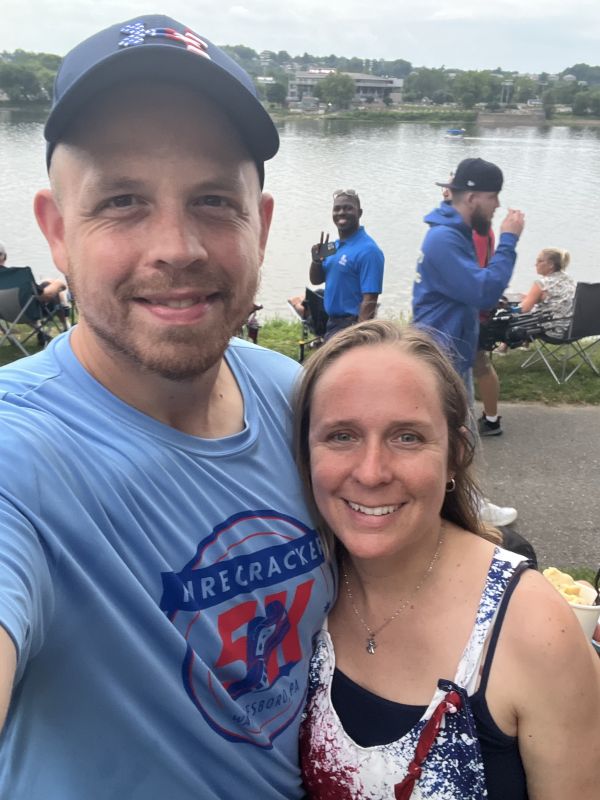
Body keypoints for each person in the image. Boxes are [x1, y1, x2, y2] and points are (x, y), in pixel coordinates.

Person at [0, 15, 334, 799]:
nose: (177, 247)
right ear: (56, 231)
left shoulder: (292, 396)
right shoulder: (20, 452)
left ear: (262, 225)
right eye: (122, 201)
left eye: (214, 199)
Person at [294, 320, 600, 800]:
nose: (371, 473)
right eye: (342, 436)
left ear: (455, 453)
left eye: (407, 437)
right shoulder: (298, 587)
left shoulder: (532, 628)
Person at [414, 158, 525, 527]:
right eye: (494, 197)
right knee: (459, 436)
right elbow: (483, 291)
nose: (497, 206)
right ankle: (467, 508)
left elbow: (473, 290)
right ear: (474, 197)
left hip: (451, 349)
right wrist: (509, 239)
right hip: (440, 353)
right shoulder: (445, 238)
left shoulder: (453, 232)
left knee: (455, 436)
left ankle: (456, 505)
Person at [439, 180, 503, 437]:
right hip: (474, 310)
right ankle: (488, 419)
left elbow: (468, 275)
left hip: (468, 313)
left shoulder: (473, 232)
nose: (446, 193)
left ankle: (468, 428)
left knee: (469, 367)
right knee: (476, 364)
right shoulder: (476, 227)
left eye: (451, 190)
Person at [309, 190, 384, 340]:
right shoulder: (332, 247)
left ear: (360, 213)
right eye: (337, 209)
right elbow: (316, 280)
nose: (341, 212)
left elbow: (370, 300)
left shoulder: (369, 251)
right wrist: (316, 260)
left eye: (348, 208)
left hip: (350, 327)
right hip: (331, 323)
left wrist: (359, 338)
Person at [0, 239, 70, 330]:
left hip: (6, 315)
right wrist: (59, 284)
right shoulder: (19, 275)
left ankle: (39, 329)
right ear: (4, 257)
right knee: (53, 289)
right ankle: (66, 326)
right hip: (30, 313)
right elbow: (44, 296)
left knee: (45, 283)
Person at [517, 247, 575, 336]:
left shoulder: (542, 283)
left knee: (509, 319)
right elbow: (556, 300)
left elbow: (524, 309)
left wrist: (510, 305)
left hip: (550, 330)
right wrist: (530, 298)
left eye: (539, 261)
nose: (536, 264)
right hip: (570, 329)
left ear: (551, 264)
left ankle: (504, 344)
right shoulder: (569, 279)